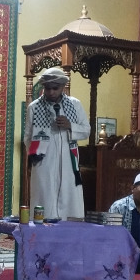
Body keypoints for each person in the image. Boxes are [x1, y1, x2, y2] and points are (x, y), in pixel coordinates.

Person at [24, 67, 91, 220]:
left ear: (63, 87)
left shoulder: (75, 105)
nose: (51, 92)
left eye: (55, 88)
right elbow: (27, 136)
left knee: (69, 196)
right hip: (43, 162)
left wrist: (70, 126)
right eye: (47, 88)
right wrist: (37, 154)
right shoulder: (34, 107)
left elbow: (86, 130)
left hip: (69, 161)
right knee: (44, 197)